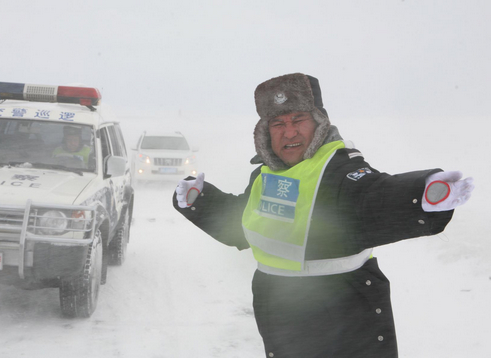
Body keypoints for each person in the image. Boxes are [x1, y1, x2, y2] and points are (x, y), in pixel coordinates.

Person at [172, 73, 474, 358]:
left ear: (318, 124)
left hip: (344, 320)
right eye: (278, 123)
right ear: (265, 132)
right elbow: (243, 223)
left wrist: (420, 196)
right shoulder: (268, 175)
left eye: (298, 120)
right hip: (284, 317)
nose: (289, 132)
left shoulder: (339, 170)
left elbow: (372, 196)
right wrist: (200, 202)